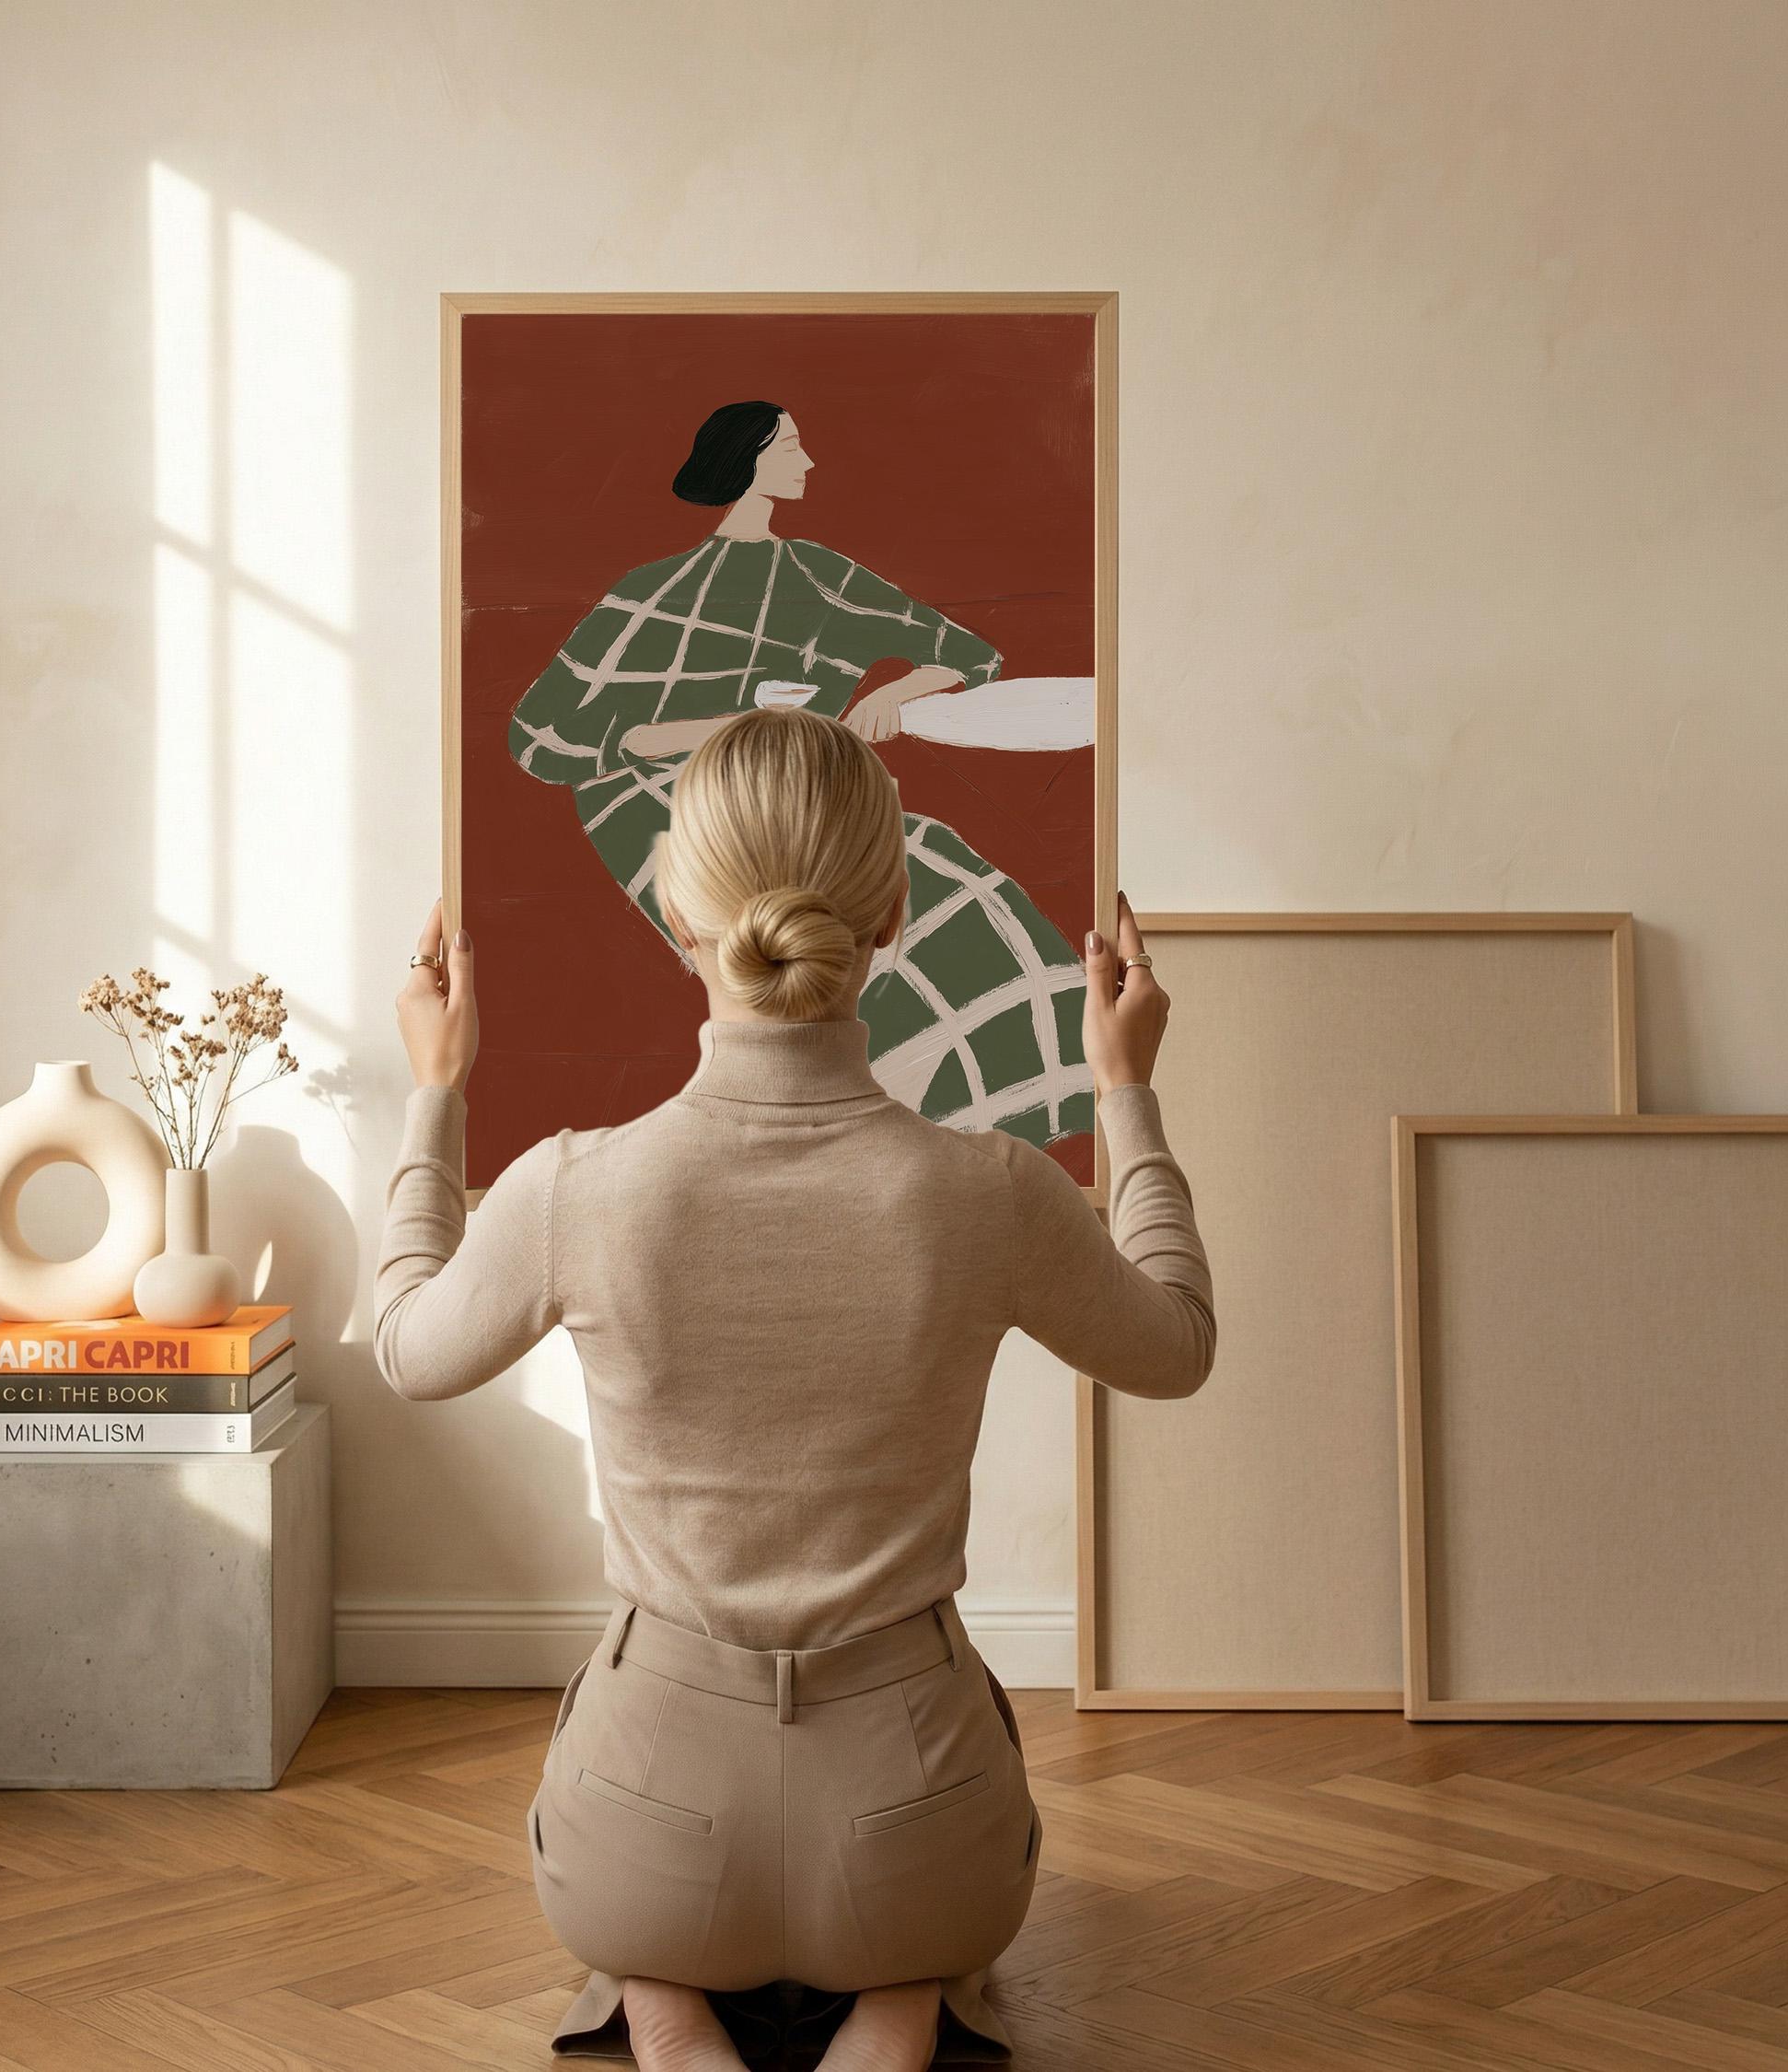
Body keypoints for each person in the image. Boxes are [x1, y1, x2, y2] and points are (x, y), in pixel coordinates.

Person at [377, 709, 1216, 2070]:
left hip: (642, 1845)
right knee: (922, 1905)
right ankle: (899, 2002)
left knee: (646, 1868)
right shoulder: (988, 1192)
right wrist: (1125, 1091)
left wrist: (435, 1093)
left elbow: (407, 1350)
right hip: (919, 1841)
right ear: (892, 916)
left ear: (675, 915)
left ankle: (665, 2001)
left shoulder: (576, 1188)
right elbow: (1177, 1345)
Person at [506, 400, 1095, 1149]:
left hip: (795, 784)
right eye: (789, 447)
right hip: (665, 802)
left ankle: (1014, 1112)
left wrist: (891, 693)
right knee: (832, 910)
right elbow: (542, 740)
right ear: (745, 462)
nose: (808, 462)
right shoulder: (650, 592)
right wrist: (724, 728)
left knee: (952, 875)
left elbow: (966, 655)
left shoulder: (818, 575)